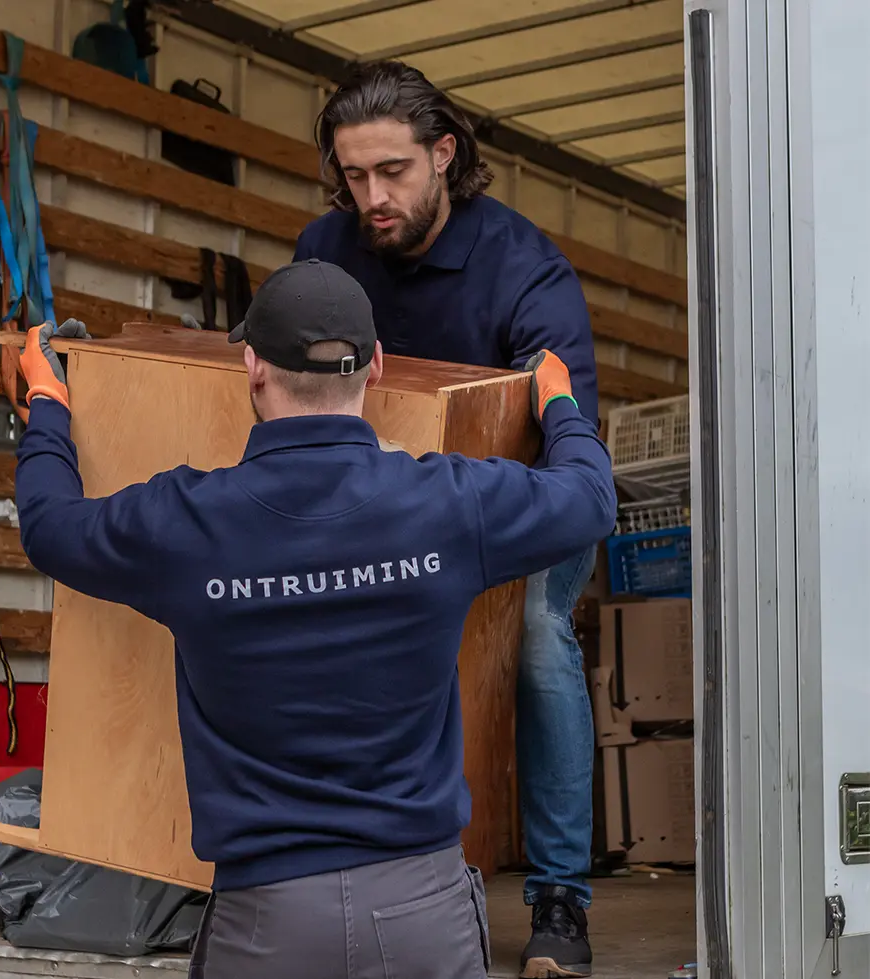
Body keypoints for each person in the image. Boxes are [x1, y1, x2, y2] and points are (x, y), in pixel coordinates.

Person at [13, 260, 615, 979]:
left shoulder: (185, 523)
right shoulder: (449, 505)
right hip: (422, 914)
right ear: (377, 366)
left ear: (253, 366)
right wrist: (558, 402)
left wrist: (49, 403)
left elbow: (51, 525)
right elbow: (587, 497)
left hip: (267, 923)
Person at [293, 60, 603, 978]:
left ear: (444, 154)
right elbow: (267, 370)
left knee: (538, 643)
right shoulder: (325, 246)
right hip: (375, 507)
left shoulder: (524, 264)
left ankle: (559, 895)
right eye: (354, 176)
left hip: (521, 501)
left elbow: (564, 428)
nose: (371, 197)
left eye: (392, 172)